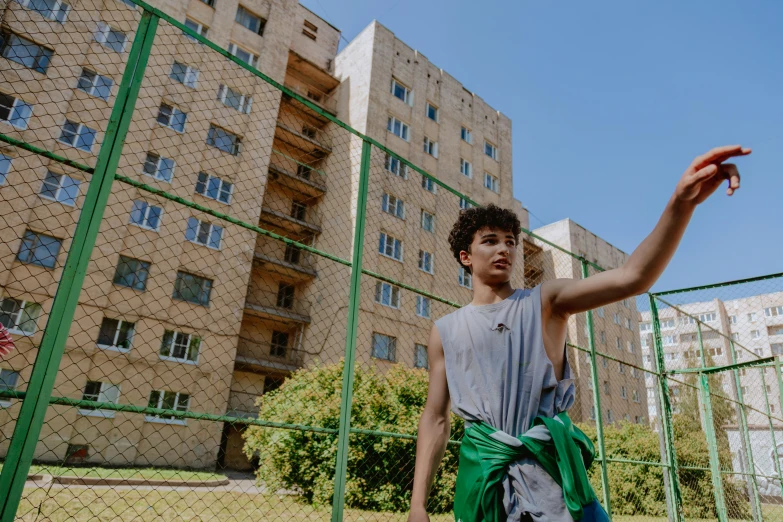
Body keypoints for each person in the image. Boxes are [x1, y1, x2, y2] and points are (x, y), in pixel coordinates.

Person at [406, 145, 750, 522]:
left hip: (556, 482)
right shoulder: (446, 331)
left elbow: (633, 277)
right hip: (484, 487)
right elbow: (436, 418)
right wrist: (417, 504)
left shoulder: (545, 301)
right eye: (490, 240)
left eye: (510, 241)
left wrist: (681, 204)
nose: (504, 248)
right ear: (465, 256)